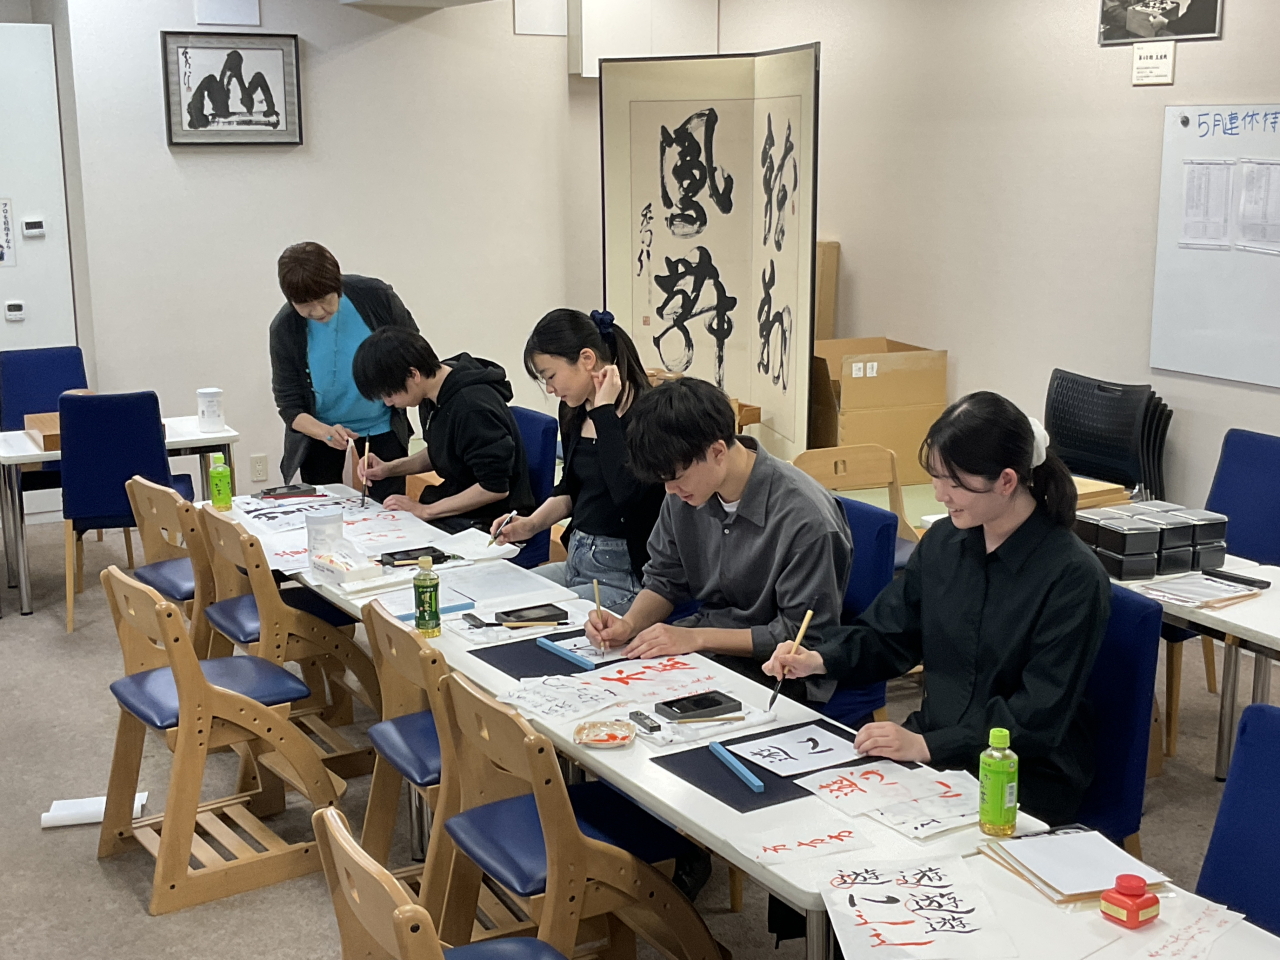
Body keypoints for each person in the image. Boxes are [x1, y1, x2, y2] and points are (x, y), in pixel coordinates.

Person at [765, 391, 1110, 826]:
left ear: (1006, 481)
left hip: (1021, 771)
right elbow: (891, 634)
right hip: (936, 746)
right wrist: (817, 658)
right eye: (936, 477)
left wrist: (928, 746)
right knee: (814, 813)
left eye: (955, 482)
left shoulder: (1072, 576)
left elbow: (1036, 714)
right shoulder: (946, 542)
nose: (940, 494)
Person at [585, 377, 852, 703]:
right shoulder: (686, 491)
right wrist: (628, 625)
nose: (670, 490)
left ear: (717, 452)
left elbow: (801, 636)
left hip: (778, 670)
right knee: (605, 690)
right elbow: (665, 579)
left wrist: (697, 638)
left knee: (649, 707)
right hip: (708, 646)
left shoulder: (806, 519)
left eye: (676, 478)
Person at [491, 308, 664, 611]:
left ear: (587, 359)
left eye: (551, 376)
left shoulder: (648, 415)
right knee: (500, 599)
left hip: (628, 578)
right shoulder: (574, 409)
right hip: (578, 561)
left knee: (531, 616)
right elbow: (572, 487)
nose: (550, 388)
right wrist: (530, 525)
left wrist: (604, 413)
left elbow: (628, 495)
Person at [269, 241, 416, 502]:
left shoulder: (375, 297)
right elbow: (289, 406)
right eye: (304, 304)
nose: (317, 311)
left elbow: (412, 351)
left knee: (390, 510)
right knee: (326, 512)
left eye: (324, 299)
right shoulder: (284, 328)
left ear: (337, 286)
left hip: (382, 427)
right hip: (320, 436)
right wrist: (323, 432)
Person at [351, 327, 534, 532]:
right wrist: (387, 469)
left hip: (493, 520)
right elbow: (441, 450)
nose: (388, 402)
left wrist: (425, 511)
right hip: (460, 507)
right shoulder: (432, 394)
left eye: (389, 394)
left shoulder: (472, 408)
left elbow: (495, 488)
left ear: (413, 374)